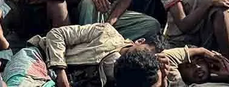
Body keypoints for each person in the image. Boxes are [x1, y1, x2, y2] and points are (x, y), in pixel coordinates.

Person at [24, 23, 167, 87]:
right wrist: (60, 70)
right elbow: (57, 34)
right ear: (139, 41)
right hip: (40, 58)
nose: (145, 58)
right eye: (146, 52)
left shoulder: (130, 74)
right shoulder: (106, 32)